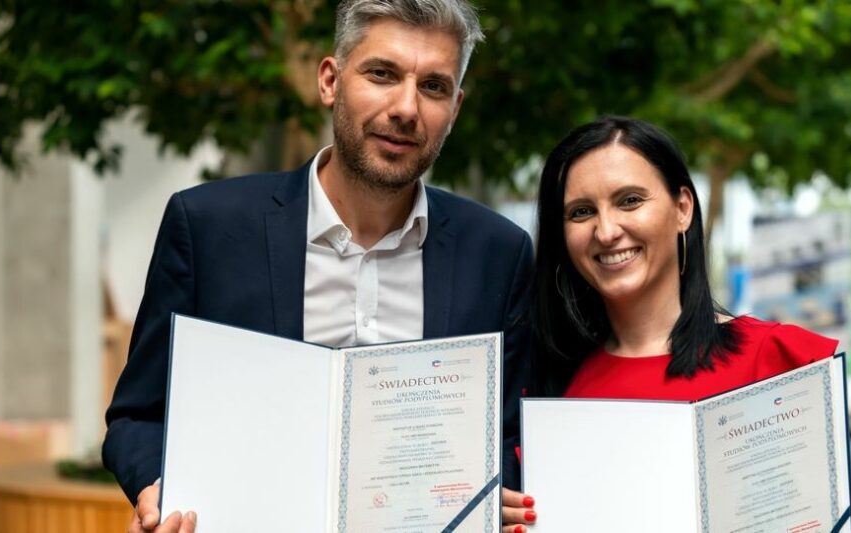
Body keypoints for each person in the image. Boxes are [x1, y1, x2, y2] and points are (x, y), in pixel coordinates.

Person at [103, 2, 533, 532]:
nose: (406, 107)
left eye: (434, 87)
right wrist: (156, 489)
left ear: (456, 108)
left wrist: (503, 493)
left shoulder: (498, 252)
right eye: (382, 74)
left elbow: (511, 435)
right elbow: (137, 417)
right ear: (330, 81)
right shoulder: (208, 228)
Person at [500, 116, 837, 532]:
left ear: (682, 208)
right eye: (581, 212)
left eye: (629, 201)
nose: (606, 231)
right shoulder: (550, 385)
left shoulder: (777, 361)